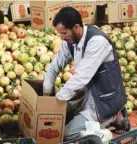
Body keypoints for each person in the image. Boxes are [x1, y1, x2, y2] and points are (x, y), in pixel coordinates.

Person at [43, 7, 130, 142]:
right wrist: (46, 96)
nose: (62, 37)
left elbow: (81, 77)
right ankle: (107, 118)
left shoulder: (97, 41)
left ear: (76, 27)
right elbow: (54, 67)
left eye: (64, 33)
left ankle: (113, 115)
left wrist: (57, 101)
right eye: (60, 34)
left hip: (103, 99)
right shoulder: (70, 41)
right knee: (57, 118)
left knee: (67, 134)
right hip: (86, 93)